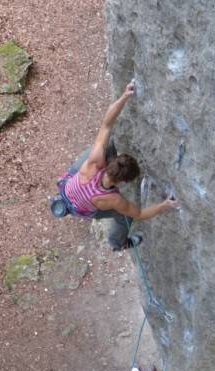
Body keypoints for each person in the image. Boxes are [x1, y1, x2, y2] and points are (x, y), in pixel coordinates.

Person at [53, 81, 179, 250]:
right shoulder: (114, 200)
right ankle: (118, 243)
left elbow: (106, 124)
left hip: (70, 186)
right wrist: (165, 204)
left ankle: (70, 189)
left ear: (113, 161)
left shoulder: (95, 161)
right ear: (124, 182)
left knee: (103, 142)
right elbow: (139, 214)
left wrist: (125, 96)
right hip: (81, 208)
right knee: (124, 218)